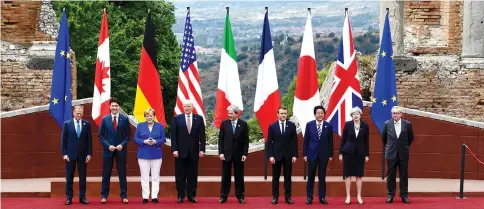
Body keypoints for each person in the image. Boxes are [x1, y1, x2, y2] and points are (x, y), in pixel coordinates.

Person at [171, 100, 206, 203]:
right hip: (180, 152)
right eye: (185, 106)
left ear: (192, 107)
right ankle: (181, 195)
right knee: (180, 175)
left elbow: (202, 136)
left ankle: (191, 195)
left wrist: (202, 149)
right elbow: (173, 136)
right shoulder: (177, 119)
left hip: (194, 152)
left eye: (188, 106)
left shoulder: (199, 119)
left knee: (192, 174)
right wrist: (174, 149)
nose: (186, 108)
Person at [99, 98, 131, 204]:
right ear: (109, 107)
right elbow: (100, 136)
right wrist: (108, 146)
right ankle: (104, 196)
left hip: (121, 151)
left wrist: (122, 145)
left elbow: (128, 136)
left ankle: (124, 196)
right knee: (106, 174)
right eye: (112, 105)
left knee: (122, 173)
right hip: (108, 151)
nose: (114, 107)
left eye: (116, 106)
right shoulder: (104, 119)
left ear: (119, 107)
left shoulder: (125, 119)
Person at [133, 108, 166, 204]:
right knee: (144, 176)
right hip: (143, 154)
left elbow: (163, 139)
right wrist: (144, 141)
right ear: (145, 117)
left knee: (155, 176)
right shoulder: (140, 125)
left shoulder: (159, 126)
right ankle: (145, 196)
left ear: (154, 116)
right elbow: (135, 138)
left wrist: (156, 141)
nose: (149, 117)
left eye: (151, 115)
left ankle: (155, 196)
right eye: (147, 116)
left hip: (156, 154)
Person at [218, 105, 249, 204]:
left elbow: (246, 141)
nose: (229, 115)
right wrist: (221, 152)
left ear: (237, 113)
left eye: (231, 113)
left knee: (239, 176)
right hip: (226, 154)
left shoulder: (243, 124)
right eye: (228, 113)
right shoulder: (224, 123)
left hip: (239, 155)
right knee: (225, 176)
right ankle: (223, 196)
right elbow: (221, 140)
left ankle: (240, 196)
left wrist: (245, 153)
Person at [61, 105, 92, 205]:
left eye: (81, 113)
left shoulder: (87, 124)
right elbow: (63, 140)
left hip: (83, 156)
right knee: (69, 177)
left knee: (82, 177)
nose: (79, 115)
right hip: (70, 156)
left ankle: (82, 197)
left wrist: (89, 154)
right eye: (77, 113)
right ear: (73, 113)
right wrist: (64, 154)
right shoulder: (67, 124)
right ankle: (69, 197)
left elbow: (89, 141)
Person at [266, 106, 298, 204]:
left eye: (285, 113)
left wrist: (294, 155)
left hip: (288, 156)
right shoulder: (272, 126)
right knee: (275, 178)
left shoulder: (292, 126)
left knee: (288, 177)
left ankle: (288, 197)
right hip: (276, 156)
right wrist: (270, 156)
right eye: (281, 113)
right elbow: (269, 142)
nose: (283, 115)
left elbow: (295, 142)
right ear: (278, 114)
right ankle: (275, 197)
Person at [382, 106, 414, 204]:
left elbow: (411, 138)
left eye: (397, 113)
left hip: (403, 153)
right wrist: (391, 147)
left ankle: (404, 195)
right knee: (391, 175)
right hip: (391, 153)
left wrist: (403, 147)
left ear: (401, 114)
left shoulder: (407, 124)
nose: (395, 115)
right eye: (393, 113)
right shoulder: (387, 124)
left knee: (403, 175)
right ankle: (390, 195)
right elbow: (384, 139)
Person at [302, 105, 333, 204]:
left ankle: (322, 197)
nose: (320, 115)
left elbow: (330, 142)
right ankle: (309, 197)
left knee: (322, 177)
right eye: (318, 113)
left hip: (324, 156)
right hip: (311, 155)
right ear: (315, 114)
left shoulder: (328, 126)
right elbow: (306, 140)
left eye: (322, 113)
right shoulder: (309, 125)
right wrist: (305, 154)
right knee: (310, 176)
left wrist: (330, 155)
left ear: (324, 114)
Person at [338, 107, 369, 205]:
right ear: (351, 116)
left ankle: (359, 196)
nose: (355, 115)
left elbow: (366, 141)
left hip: (360, 153)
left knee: (359, 175)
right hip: (348, 153)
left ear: (360, 115)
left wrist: (366, 155)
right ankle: (348, 196)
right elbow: (343, 139)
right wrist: (340, 153)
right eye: (353, 114)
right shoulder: (348, 125)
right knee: (348, 175)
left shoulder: (365, 125)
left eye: (357, 114)